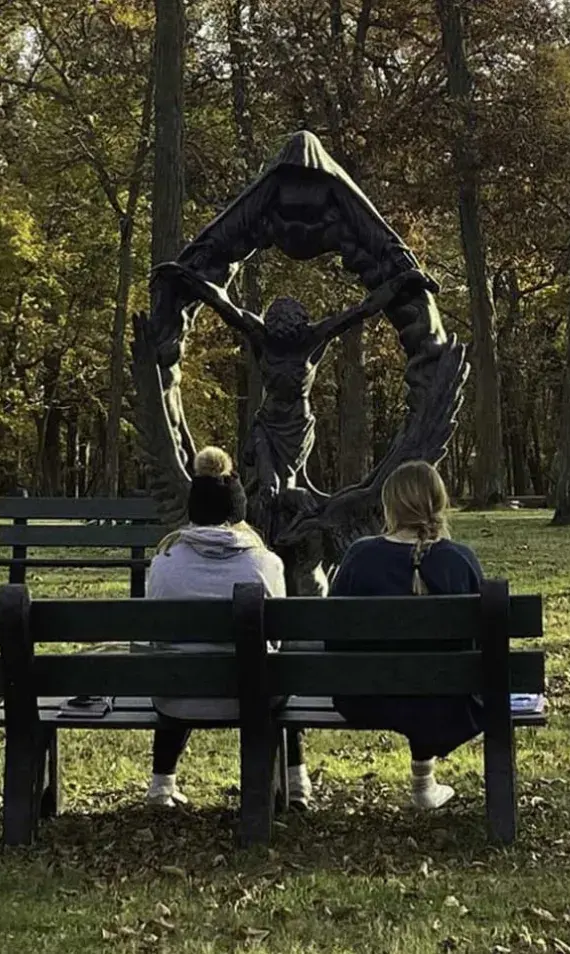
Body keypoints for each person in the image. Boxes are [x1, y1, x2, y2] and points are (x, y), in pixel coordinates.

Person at [153, 261, 434, 539]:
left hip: (297, 427)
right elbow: (222, 302)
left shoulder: (313, 337)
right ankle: (263, 541)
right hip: (267, 423)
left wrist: (403, 280)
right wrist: (187, 277)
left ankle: (286, 541)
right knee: (268, 487)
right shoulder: (261, 334)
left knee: (286, 490)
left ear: (298, 326)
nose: (283, 340)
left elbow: (363, 309)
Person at [144, 446, 312, 808]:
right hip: (253, 695)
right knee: (282, 672)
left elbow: (158, 639)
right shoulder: (265, 564)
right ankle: (297, 784)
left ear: (193, 510)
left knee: (179, 664)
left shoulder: (163, 563)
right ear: (239, 511)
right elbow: (278, 639)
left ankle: (160, 786)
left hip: (178, 696)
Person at [329, 460, 485, 809]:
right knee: (429, 683)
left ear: (390, 506)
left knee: (412, 684)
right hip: (447, 701)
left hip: (367, 698)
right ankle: (423, 785)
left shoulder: (360, 556)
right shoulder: (460, 560)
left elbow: (335, 635)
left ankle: (424, 785)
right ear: (439, 503)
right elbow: (481, 644)